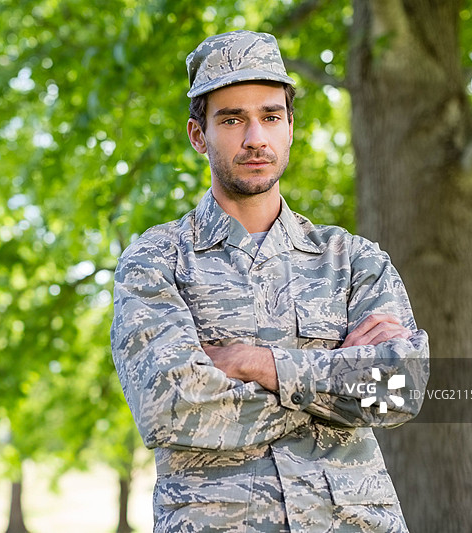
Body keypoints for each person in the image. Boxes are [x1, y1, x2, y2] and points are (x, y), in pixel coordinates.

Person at [110, 30, 429, 533]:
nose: (255, 137)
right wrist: (336, 382)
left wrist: (257, 364)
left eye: (270, 116)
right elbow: (170, 408)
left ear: (290, 128)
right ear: (199, 136)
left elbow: (400, 388)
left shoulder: (351, 259)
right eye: (232, 119)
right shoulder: (156, 260)